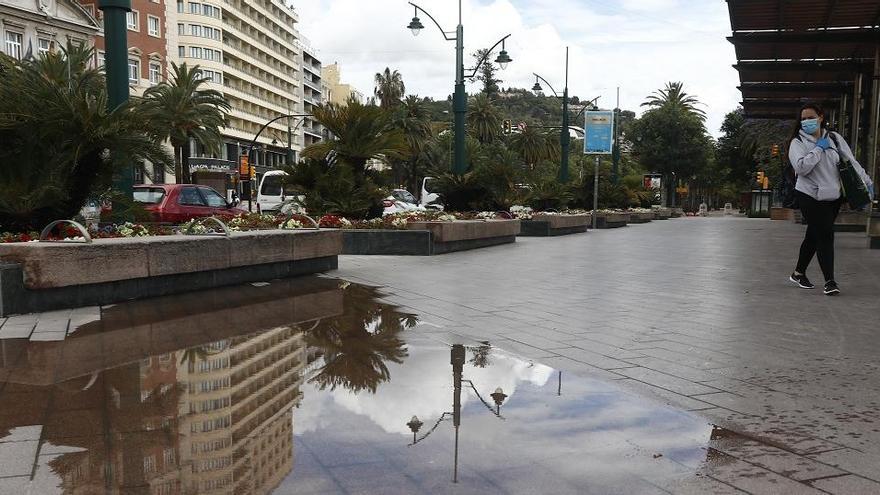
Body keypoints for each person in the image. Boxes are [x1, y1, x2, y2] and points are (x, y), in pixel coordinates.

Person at [787, 102, 874, 296]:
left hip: (833, 195)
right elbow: (801, 168)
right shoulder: (797, 143)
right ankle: (830, 281)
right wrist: (818, 149)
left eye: (810, 117)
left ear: (821, 117)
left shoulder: (834, 138)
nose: (807, 121)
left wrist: (867, 181)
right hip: (809, 194)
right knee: (826, 234)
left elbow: (850, 161)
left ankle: (798, 273)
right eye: (803, 119)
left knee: (814, 234)